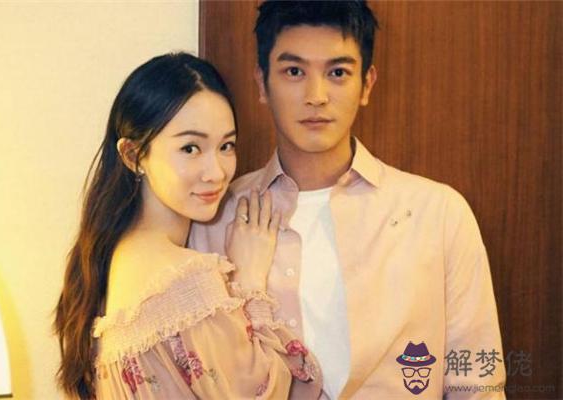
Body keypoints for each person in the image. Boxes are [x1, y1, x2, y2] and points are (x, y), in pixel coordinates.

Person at [190, 1, 506, 398]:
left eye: (337, 73)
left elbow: (478, 385)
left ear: (367, 84)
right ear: (262, 83)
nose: (316, 96)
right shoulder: (215, 218)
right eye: (294, 72)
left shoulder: (438, 214)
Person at [54, 53, 321, 399]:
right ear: (133, 155)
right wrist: (250, 281)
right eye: (190, 148)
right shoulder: (184, 280)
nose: (217, 172)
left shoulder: (109, 262)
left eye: (226, 146)